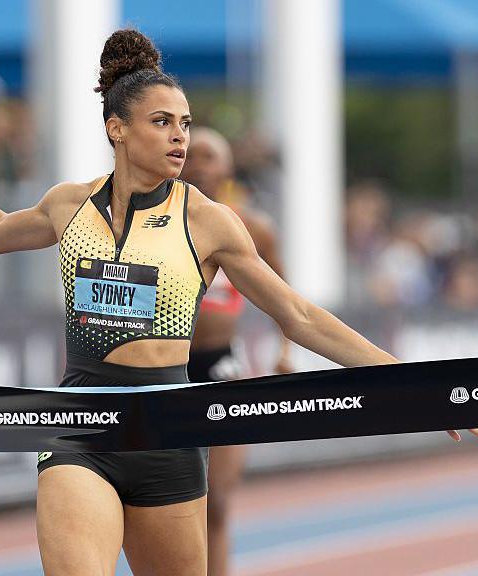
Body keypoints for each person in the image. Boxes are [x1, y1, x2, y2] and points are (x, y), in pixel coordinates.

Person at [0, 28, 478, 576]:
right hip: (81, 423)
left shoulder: (209, 222)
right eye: (162, 122)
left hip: (169, 433)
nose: (179, 136)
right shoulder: (70, 204)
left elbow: (299, 316)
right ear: (117, 129)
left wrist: (410, 383)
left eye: (184, 123)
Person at [181, 126, 293, 576]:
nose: (199, 164)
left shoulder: (254, 230)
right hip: (167, 370)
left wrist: (284, 350)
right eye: (192, 155)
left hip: (222, 365)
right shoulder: (158, 223)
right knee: (165, 505)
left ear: (227, 168)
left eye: (210, 155)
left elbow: (286, 298)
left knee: (218, 503)